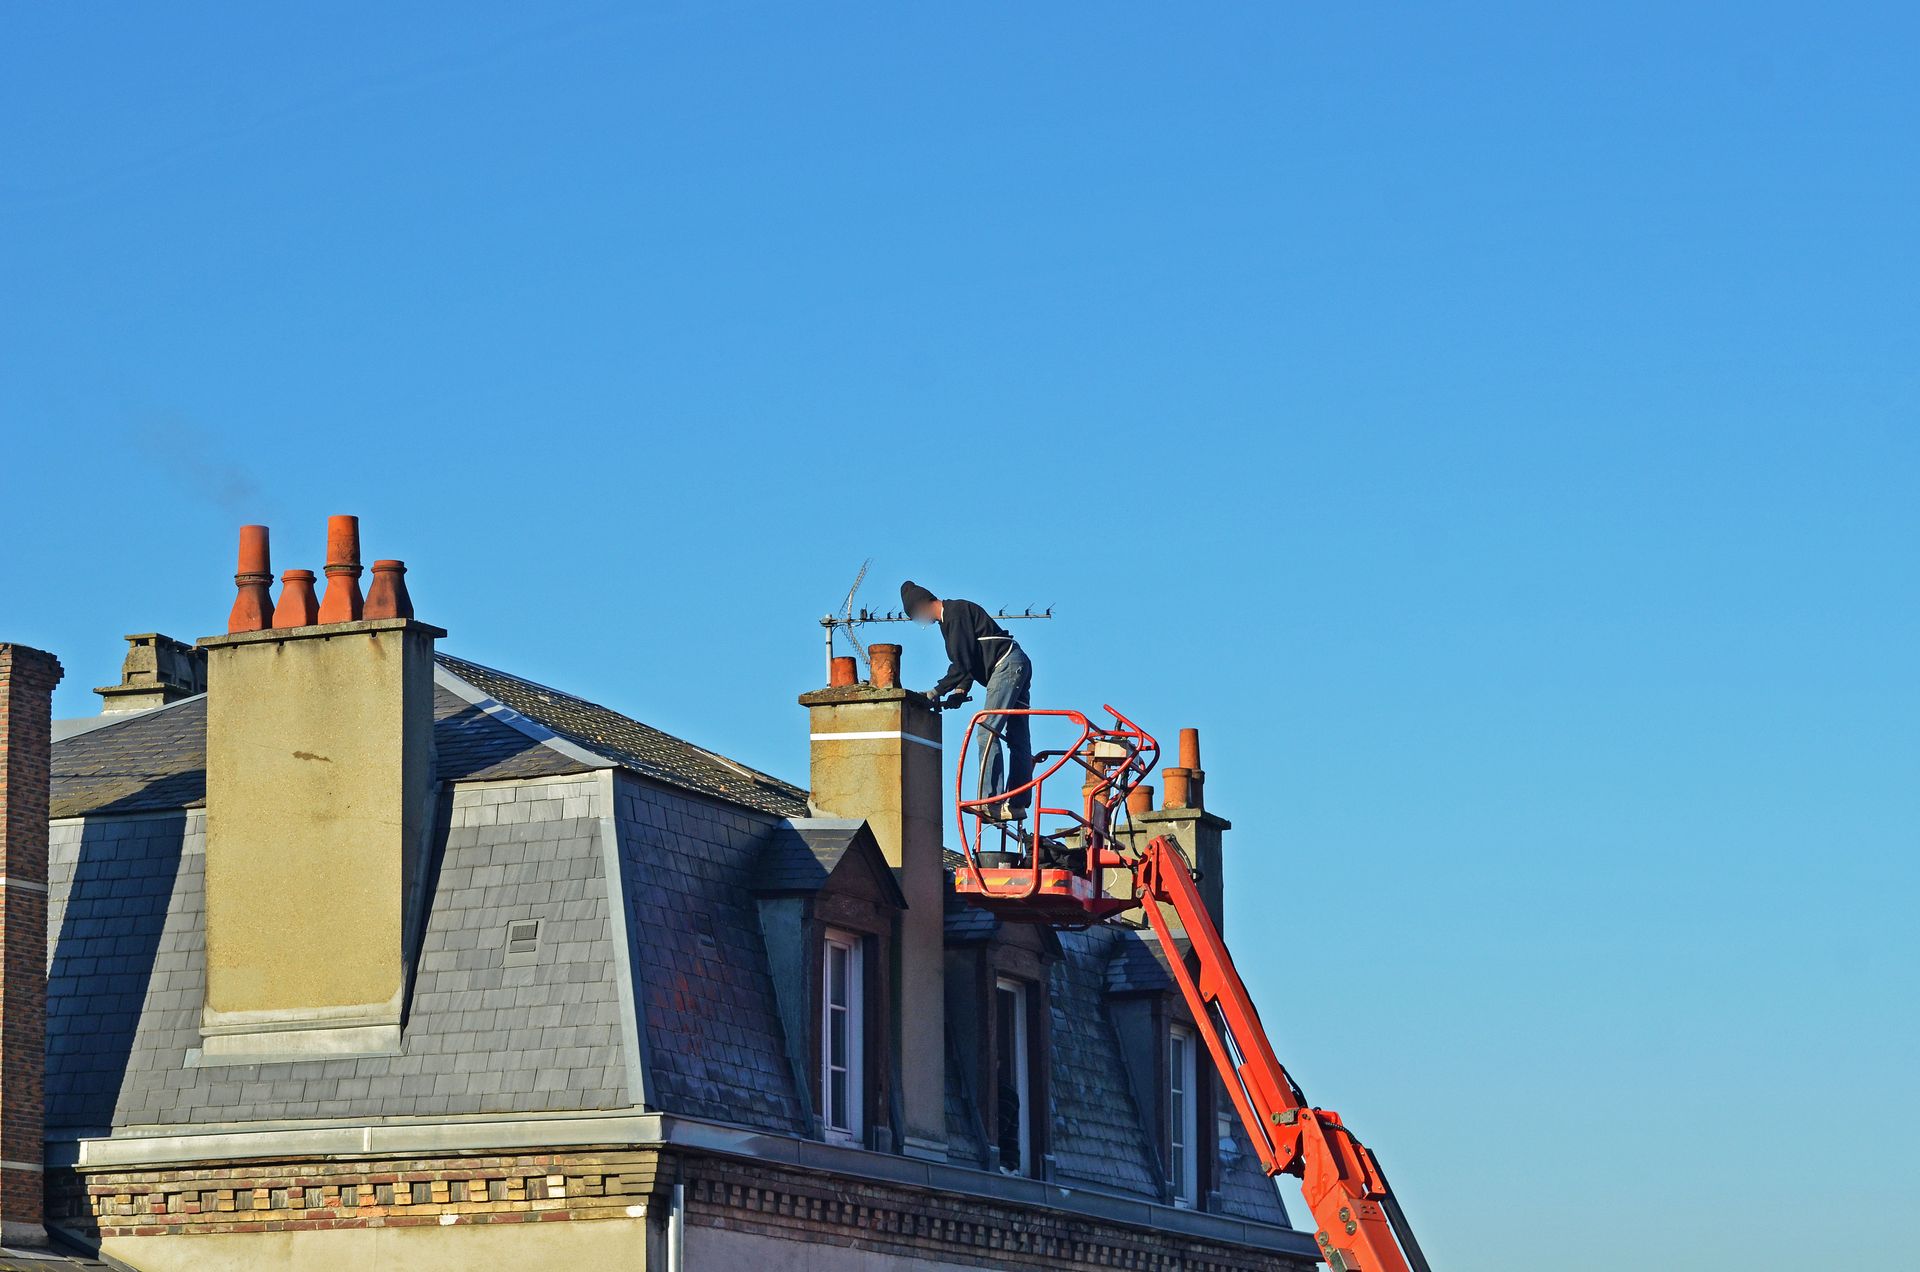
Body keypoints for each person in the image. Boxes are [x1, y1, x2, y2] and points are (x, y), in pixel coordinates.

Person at [901, 580, 1033, 820]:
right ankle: (1017, 804)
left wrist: (935, 691)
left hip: (1005, 666)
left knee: (986, 731)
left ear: (921, 605)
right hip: (1017, 663)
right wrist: (960, 691)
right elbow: (970, 659)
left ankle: (990, 801)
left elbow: (961, 663)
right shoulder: (952, 617)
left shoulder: (954, 614)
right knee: (1018, 738)